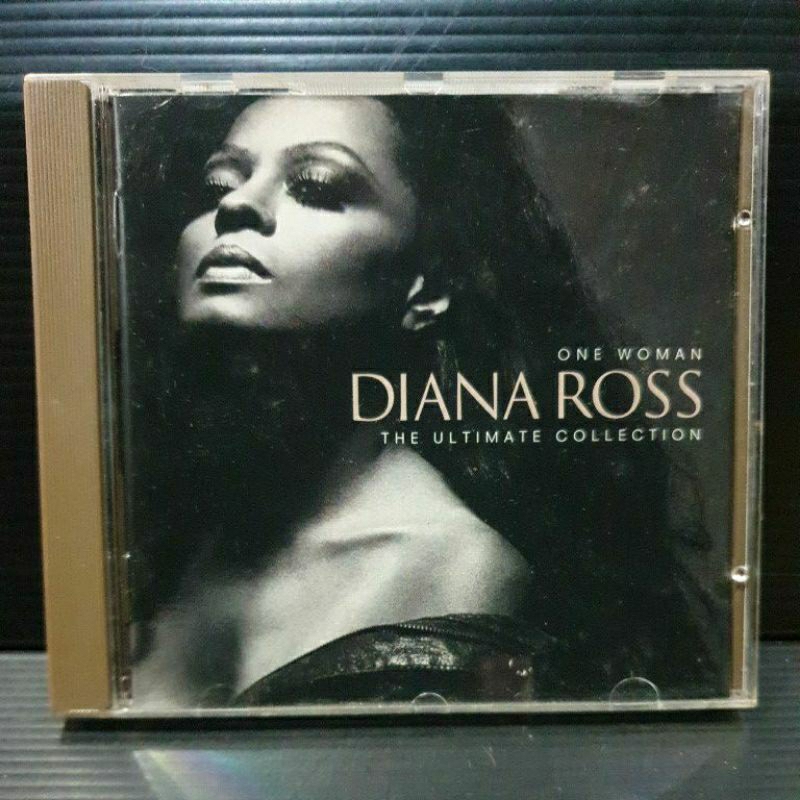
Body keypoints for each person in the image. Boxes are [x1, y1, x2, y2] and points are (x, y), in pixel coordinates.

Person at [123, 95, 723, 709]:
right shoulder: (160, 538)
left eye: (316, 186)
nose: (235, 205)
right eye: (219, 184)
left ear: (427, 286)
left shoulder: (456, 570)